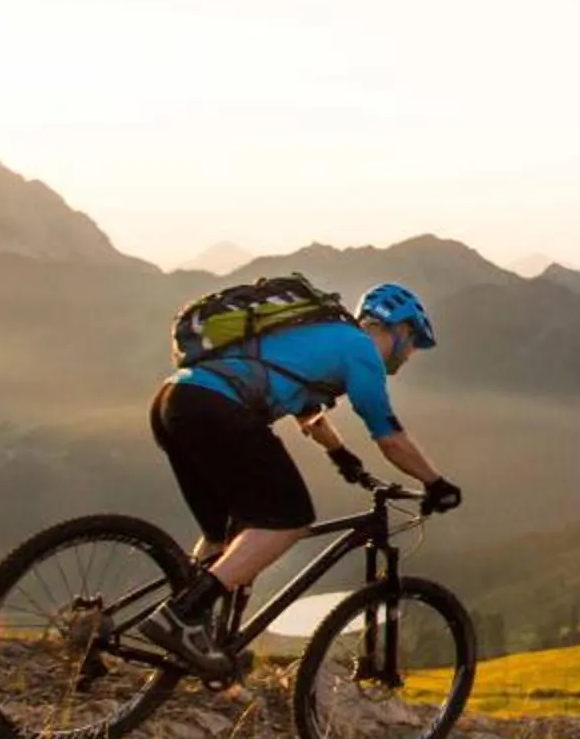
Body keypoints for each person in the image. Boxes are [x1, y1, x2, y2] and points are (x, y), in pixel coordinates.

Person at [138, 281, 460, 677]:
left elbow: (309, 412)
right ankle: (182, 616)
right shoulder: (361, 351)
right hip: (218, 408)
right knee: (288, 519)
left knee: (227, 534)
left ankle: (192, 630)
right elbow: (390, 437)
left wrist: (342, 457)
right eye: (414, 343)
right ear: (402, 329)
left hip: (176, 401)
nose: (410, 355)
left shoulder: (324, 336)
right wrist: (435, 482)